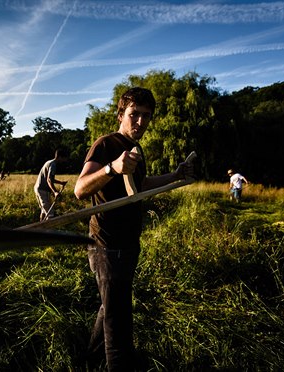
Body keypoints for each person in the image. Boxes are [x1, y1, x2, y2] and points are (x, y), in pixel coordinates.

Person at [74, 87, 194, 371]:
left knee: (111, 305)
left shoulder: (136, 150)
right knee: (119, 316)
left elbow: (138, 188)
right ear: (120, 115)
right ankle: (119, 365)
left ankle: (91, 359)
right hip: (106, 244)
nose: (140, 122)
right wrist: (111, 169)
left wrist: (174, 176)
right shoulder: (105, 144)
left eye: (146, 116)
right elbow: (80, 189)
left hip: (128, 241)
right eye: (134, 115)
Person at [34, 149, 68, 221]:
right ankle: (47, 230)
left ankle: (40, 228)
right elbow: (49, 180)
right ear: (60, 157)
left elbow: (50, 179)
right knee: (50, 213)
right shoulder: (53, 165)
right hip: (43, 190)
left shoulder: (49, 162)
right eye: (64, 158)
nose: (64, 161)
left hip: (38, 189)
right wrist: (55, 192)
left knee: (44, 211)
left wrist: (61, 182)